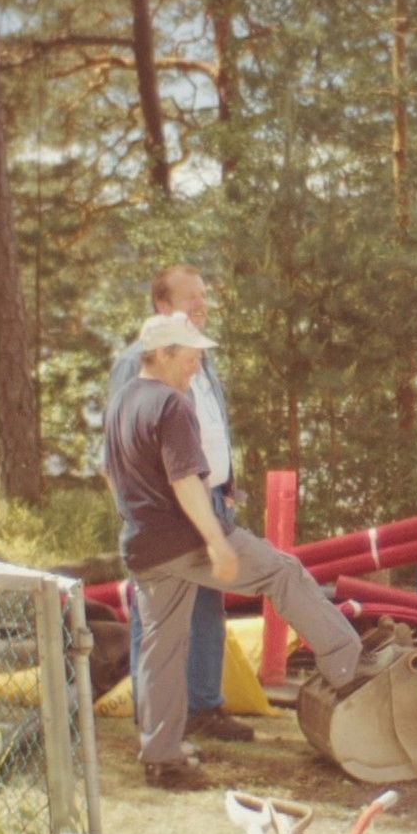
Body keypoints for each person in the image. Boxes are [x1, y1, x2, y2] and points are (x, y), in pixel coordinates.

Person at [103, 312, 374, 790]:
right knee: (283, 572)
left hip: (145, 546)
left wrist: (138, 518)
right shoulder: (171, 405)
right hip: (187, 540)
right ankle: (348, 666)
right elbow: (185, 481)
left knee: (162, 651)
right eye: (190, 357)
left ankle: (162, 758)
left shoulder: (122, 401)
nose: (197, 365)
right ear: (163, 354)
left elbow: (110, 473)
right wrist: (215, 542)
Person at [108, 265, 253, 743]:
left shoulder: (201, 358)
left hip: (211, 494)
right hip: (168, 503)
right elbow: (121, 446)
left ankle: (204, 707)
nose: (202, 305)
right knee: (158, 615)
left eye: (205, 297)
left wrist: (227, 482)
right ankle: (153, 713)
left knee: (210, 602)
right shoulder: (138, 362)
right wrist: (140, 509)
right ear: (163, 307)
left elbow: (211, 426)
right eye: (192, 298)